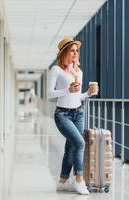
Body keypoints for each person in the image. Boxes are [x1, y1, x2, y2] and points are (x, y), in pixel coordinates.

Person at [47, 37, 99, 195]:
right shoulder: (56, 70)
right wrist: (66, 90)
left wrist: (87, 94)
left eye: (77, 50)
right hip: (62, 115)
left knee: (70, 148)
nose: (76, 53)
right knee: (80, 143)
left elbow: (77, 97)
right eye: (72, 50)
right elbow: (49, 94)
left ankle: (62, 182)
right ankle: (79, 180)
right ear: (64, 53)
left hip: (78, 113)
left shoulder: (79, 72)